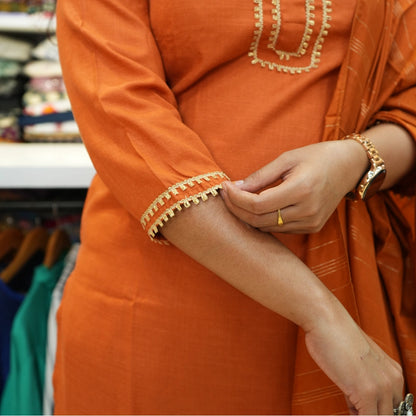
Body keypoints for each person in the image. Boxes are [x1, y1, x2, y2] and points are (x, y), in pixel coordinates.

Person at [54, 0, 416, 414]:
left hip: (350, 283)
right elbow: (123, 120)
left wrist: (357, 159)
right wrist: (322, 314)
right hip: (163, 308)